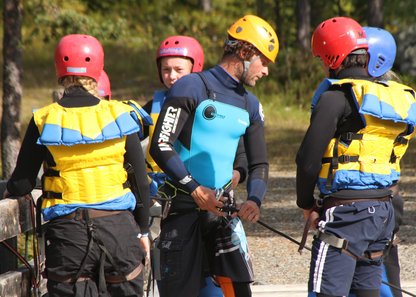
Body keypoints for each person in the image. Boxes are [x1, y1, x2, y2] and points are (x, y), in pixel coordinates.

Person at [2, 34, 152, 297]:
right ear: (99, 67)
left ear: (59, 69)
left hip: (69, 236)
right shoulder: (120, 115)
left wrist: (10, 191)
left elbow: (23, 182)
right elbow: (140, 181)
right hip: (119, 231)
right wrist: (143, 230)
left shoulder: (44, 119)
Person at [296, 17, 416, 297]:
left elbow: (307, 159)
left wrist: (307, 204)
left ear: (333, 56)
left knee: (325, 293)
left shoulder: (336, 97)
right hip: (383, 213)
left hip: (345, 215)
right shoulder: (392, 97)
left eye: (322, 58)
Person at [149, 14, 279, 297]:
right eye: (264, 62)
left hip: (224, 217)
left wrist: (255, 200)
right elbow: (160, 145)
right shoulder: (191, 87)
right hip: (184, 211)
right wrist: (195, 190)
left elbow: (259, 164)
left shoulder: (250, 104)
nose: (266, 71)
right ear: (245, 53)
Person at [143, 35, 247, 297]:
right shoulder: (151, 108)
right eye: (165, 69)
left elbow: (242, 157)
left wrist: (234, 175)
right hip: (167, 202)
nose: (171, 76)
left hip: (210, 203)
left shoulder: (216, 106)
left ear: (194, 70)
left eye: (179, 69)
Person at [362, 26, 416, 297]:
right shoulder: (400, 97)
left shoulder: (359, 98)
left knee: (380, 277)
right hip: (389, 199)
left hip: (373, 201)